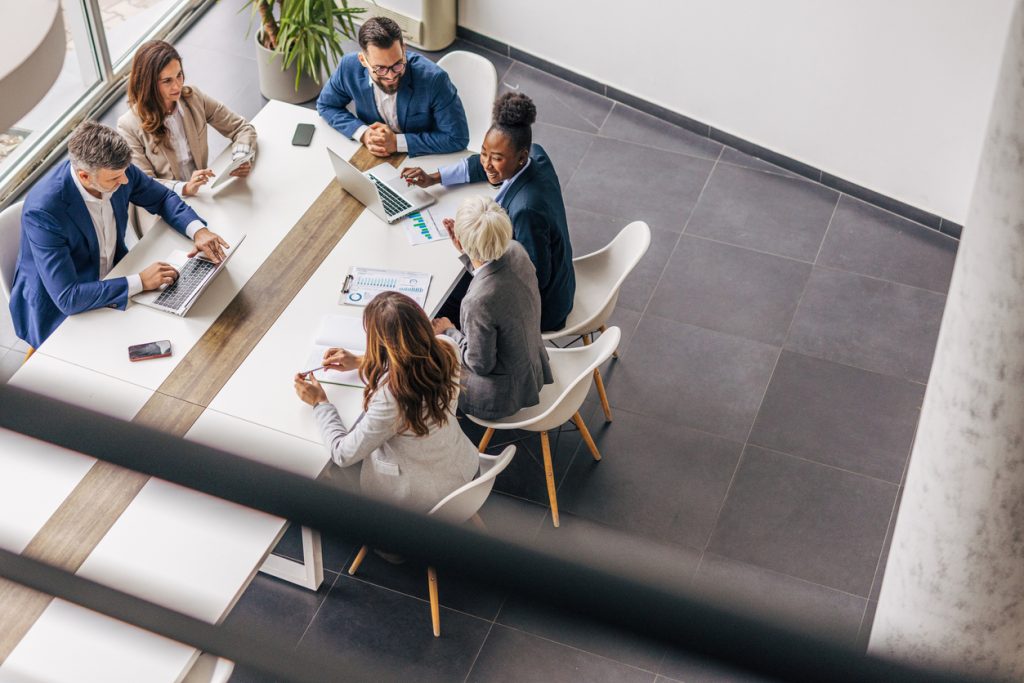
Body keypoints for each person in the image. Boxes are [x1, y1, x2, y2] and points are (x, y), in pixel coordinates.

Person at [9, 121, 229, 349]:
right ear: (84, 176)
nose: (124, 182)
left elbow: (162, 198)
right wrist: (141, 281)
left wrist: (198, 231)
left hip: (113, 273)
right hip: (60, 311)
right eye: (114, 179)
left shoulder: (118, 168)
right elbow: (68, 297)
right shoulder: (44, 212)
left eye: (125, 173)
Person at [293, 291, 479, 513]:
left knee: (330, 471)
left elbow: (343, 454)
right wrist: (360, 361)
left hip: (421, 501)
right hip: (464, 468)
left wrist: (320, 402)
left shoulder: (391, 396)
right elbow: (410, 360)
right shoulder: (448, 348)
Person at [402, 92, 574, 332]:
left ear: (521, 157)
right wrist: (434, 178)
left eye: (496, 158)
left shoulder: (526, 209)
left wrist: (475, 257)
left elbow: (534, 278)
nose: (486, 163)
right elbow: (480, 165)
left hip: (543, 307)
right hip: (562, 275)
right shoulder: (536, 154)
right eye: (484, 153)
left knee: (446, 304)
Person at [431, 196, 552, 420]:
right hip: (531, 366)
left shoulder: (477, 301)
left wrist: (448, 331)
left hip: (502, 396)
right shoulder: (517, 251)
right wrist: (468, 250)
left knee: (424, 361)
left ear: (460, 239)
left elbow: (480, 364)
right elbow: (491, 269)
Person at [118, 40, 257, 197]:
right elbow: (144, 184)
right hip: (166, 205)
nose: (177, 86)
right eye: (167, 81)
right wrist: (184, 188)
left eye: (179, 75)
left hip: (203, 193)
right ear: (148, 84)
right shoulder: (128, 126)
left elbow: (241, 128)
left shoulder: (193, 98)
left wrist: (241, 158)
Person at [316, 16, 469, 158]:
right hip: (373, 155)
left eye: (397, 65)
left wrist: (397, 143)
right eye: (380, 69)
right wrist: (364, 133)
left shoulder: (434, 80)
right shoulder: (348, 68)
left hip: (421, 157)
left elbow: (457, 138)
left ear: (404, 50)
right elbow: (326, 105)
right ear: (363, 60)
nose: (390, 76)